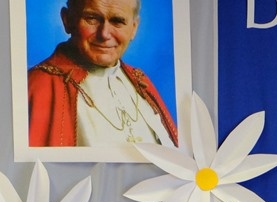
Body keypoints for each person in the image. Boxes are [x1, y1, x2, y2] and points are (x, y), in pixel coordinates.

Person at [27, 0, 178, 147]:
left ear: (134, 28)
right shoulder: (36, 86)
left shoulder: (141, 81)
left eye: (117, 21)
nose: (104, 34)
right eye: (92, 18)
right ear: (68, 20)